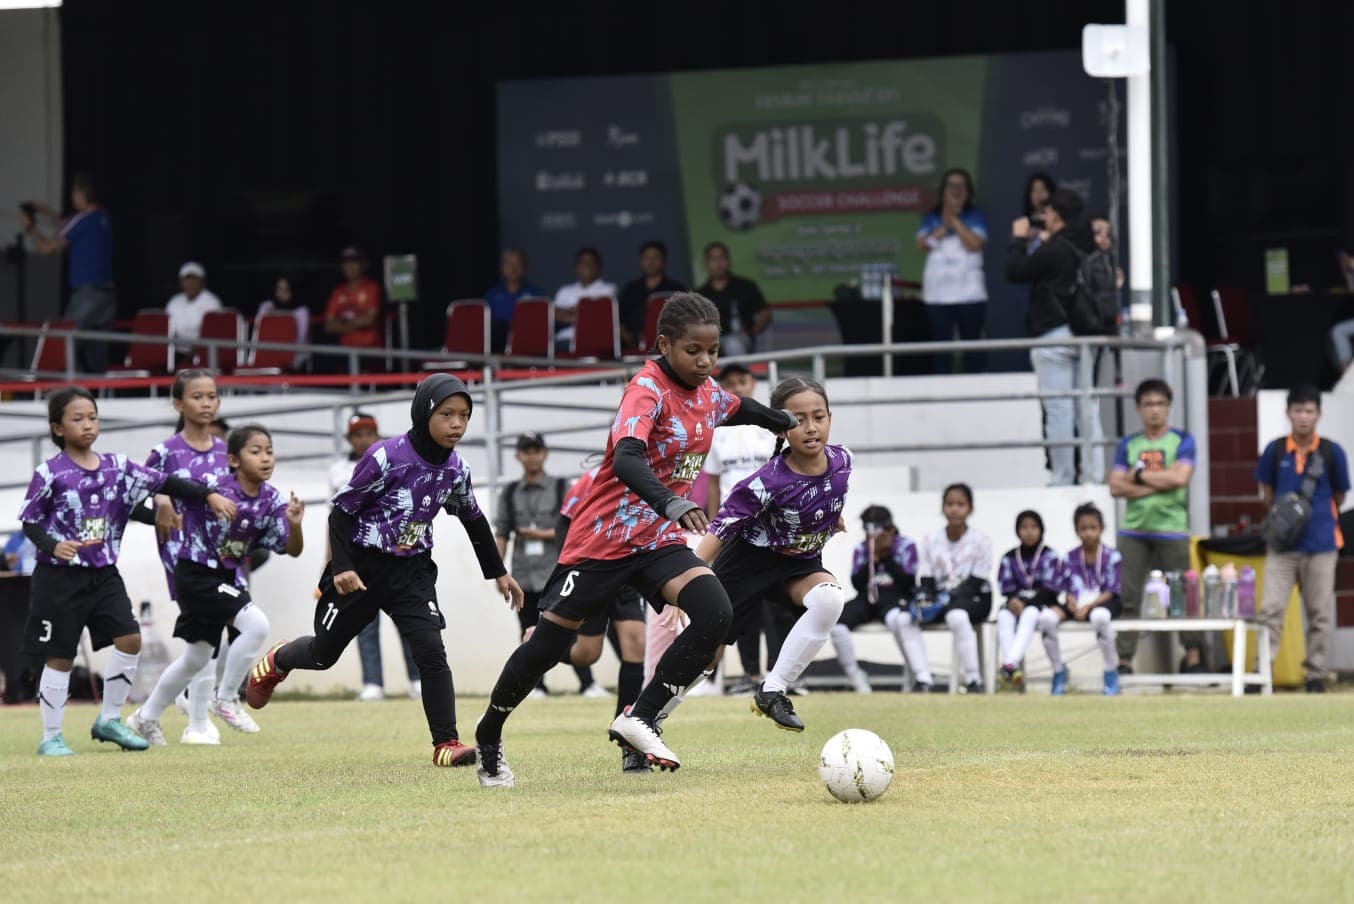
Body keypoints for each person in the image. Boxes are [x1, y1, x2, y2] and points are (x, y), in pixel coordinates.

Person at [472, 292, 796, 786]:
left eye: (712, 350)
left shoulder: (706, 391)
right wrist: (672, 502)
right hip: (602, 541)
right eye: (694, 350)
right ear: (664, 344)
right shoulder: (646, 389)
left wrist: (779, 419)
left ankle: (639, 718)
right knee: (549, 646)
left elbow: (736, 407)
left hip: (657, 542)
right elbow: (626, 458)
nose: (706, 361)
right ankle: (490, 733)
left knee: (716, 612)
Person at [246, 375, 524, 767]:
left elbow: (473, 518)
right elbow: (341, 513)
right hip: (361, 567)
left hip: (412, 571)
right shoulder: (386, 456)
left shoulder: (456, 468)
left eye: (464, 415)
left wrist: (499, 572)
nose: (457, 425)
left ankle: (446, 743)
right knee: (324, 655)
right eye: (447, 415)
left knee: (431, 651)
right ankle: (279, 659)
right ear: (425, 412)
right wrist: (340, 567)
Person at [19, 386, 235, 756]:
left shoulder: (116, 467)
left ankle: (109, 720)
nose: (88, 425)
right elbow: (30, 521)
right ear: (58, 428)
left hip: (104, 574)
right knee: (61, 656)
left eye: (92, 417)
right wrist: (54, 545)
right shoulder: (49, 473)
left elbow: (163, 483)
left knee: (130, 638)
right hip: (58, 578)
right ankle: (51, 736)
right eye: (77, 419)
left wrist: (201, 498)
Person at [656, 376, 849, 733]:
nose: (810, 428)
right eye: (797, 419)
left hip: (798, 566)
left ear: (830, 419)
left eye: (818, 417)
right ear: (779, 429)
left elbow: (825, 491)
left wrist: (832, 516)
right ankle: (644, 718)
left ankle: (773, 690)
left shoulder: (842, 462)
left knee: (830, 599)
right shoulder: (764, 482)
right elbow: (719, 530)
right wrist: (685, 588)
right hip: (748, 564)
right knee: (706, 655)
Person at [128, 425, 305, 746]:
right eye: (256, 451)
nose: (265, 458)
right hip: (194, 573)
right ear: (234, 461)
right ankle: (225, 698)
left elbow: (291, 550)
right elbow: (165, 486)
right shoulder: (213, 486)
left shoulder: (272, 499)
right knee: (256, 624)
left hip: (223, 577)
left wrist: (295, 527)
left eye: (269, 451)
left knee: (195, 658)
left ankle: (145, 717)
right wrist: (164, 501)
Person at [145, 369, 234, 742]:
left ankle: (159, 712)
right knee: (210, 638)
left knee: (206, 644)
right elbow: (146, 488)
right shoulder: (165, 452)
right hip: (183, 554)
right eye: (197, 397)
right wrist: (162, 499)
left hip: (223, 553)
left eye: (212, 396)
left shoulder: (225, 450)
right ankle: (199, 721)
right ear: (179, 404)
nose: (206, 403)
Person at [554, 463, 651, 772]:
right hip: (592, 570)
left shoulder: (652, 474)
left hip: (626, 573)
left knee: (636, 645)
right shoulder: (594, 477)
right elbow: (564, 523)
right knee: (586, 655)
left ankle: (629, 740)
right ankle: (539, 641)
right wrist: (568, 566)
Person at [1005, 187, 1105, 486]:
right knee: (1087, 406)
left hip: (1055, 333)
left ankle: (1062, 478)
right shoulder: (1090, 243)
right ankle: (1093, 476)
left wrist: (1018, 239)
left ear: (1057, 215)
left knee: (1059, 409)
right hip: (1088, 332)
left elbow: (1015, 270)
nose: (1043, 217)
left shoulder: (1056, 249)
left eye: (1047, 212)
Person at [1255, 385, 1350, 693]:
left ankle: (1315, 673)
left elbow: (1340, 495)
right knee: (1271, 608)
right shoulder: (1276, 450)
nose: (1304, 417)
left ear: (1319, 415)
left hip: (1322, 544)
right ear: (1288, 413)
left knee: (1319, 612)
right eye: (1298, 410)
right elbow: (1267, 494)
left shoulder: (1332, 452)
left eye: (1309, 411)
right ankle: (1262, 672)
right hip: (1282, 545)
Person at [495, 431, 600, 698]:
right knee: (528, 628)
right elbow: (502, 533)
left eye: (536, 450)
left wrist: (540, 534)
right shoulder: (509, 493)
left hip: (556, 573)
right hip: (524, 574)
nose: (532, 456)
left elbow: (576, 527)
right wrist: (498, 572)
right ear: (519, 456)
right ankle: (536, 686)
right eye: (526, 451)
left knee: (566, 629)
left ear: (545, 454)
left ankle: (587, 683)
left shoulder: (560, 487)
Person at [703, 363, 787, 694]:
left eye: (743, 381)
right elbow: (712, 486)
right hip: (733, 524)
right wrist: (715, 527)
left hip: (769, 523)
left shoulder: (769, 427)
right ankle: (750, 675)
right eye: (730, 383)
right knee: (741, 601)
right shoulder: (717, 430)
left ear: (754, 384)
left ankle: (777, 676)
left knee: (773, 603)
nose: (738, 387)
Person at [1109, 379, 1204, 674]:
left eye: (1160, 404)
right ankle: (1124, 661)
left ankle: (1193, 659)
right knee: (1128, 597)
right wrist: (1159, 482)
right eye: (1148, 404)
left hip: (1172, 528)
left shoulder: (1182, 440)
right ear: (1139, 408)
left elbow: (1180, 479)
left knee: (1183, 595)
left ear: (1169, 407)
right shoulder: (1129, 443)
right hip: (1133, 530)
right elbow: (1114, 485)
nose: (1154, 410)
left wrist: (1137, 477)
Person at [328, 412, 421, 703]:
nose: (364, 439)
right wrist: (332, 559)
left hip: (393, 551)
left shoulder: (392, 461)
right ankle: (372, 682)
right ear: (349, 439)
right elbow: (336, 518)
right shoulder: (338, 470)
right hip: (357, 553)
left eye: (369, 433)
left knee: (407, 619)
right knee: (364, 622)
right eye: (358, 434)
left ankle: (417, 679)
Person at [17, 172, 116, 373]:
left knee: (65, 347)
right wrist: (46, 211)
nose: (72, 198)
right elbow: (70, 225)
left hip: (86, 295)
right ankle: (101, 397)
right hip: (108, 296)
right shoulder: (103, 217)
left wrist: (31, 228)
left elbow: (47, 248)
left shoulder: (81, 220)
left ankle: (68, 394)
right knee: (97, 355)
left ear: (81, 194)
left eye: (74, 193)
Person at [899, 483, 993, 693]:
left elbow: (977, 582)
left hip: (976, 598)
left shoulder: (981, 540)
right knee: (905, 618)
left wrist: (943, 601)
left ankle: (973, 680)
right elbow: (926, 579)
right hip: (940, 599)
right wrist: (925, 598)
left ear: (970, 508)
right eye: (950, 504)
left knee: (956, 616)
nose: (954, 509)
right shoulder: (931, 539)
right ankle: (923, 679)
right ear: (942, 508)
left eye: (961, 504)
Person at [828, 505, 917, 694]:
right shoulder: (862, 549)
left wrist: (887, 556)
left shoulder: (905, 546)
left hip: (895, 598)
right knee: (836, 623)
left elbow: (908, 582)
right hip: (868, 598)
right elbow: (857, 583)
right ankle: (856, 677)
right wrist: (873, 558)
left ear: (890, 528)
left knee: (899, 621)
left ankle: (914, 674)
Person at [1039, 503, 1122, 696]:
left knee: (1100, 617)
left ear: (1102, 528)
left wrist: (1090, 606)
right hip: (1076, 603)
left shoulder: (1112, 556)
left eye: (1093, 528)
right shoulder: (1069, 557)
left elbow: (1112, 590)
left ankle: (1110, 671)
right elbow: (1065, 587)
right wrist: (1071, 602)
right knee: (1045, 619)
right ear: (1077, 530)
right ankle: (1059, 670)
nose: (1088, 533)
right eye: (1083, 528)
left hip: (1102, 602)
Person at [915, 167, 989, 373]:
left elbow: (974, 243)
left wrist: (955, 221)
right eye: (951, 185)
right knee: (941, 348)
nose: (956, 190)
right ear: (943, 190)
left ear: (968, 190)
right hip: (938, 294)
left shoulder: (975, 215)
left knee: (972, 346)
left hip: (969, 293)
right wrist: (943, 226)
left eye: (961, 186)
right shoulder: (931, 216)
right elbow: (922, 244)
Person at [995, 510, 1061, 691]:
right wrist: (1012, 600)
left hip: (1041, 605)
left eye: (1034, 527)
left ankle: (1009, 664)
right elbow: (1005, 585)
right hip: (1015, 605)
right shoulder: (1009, 557)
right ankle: (1012, 667)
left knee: (1030, 614)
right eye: (1024, 527)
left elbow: (1050, 587)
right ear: (1017, 531)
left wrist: (1027, 604)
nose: (1029, 532)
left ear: (1041, 530)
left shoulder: (1050, 555)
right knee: (1003, 617)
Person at [696, 242, 770, 357]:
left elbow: (764, 313)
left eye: (722, 258)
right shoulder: (699, 294)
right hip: (710, 342)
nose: (718, 263)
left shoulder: (745, 286)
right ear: (707, 263)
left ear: (729, 261)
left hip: (741, 339)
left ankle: (739, 375)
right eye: (714, 259)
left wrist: (753, 331)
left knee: (733, 344)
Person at [618, 241, 687, 349]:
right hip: (633, 349)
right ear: (641, 260)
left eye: (656, 257)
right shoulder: (630, 289)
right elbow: (620, 322)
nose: (651, 261)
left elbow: (686, 322)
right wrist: (631, 341)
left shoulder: (677, 290)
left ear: (664, 260)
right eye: (647, 257)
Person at [323, 246, 385, 357]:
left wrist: (343, 321)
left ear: (363, 265)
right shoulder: (338, 292)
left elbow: (369, 320)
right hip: (344, 351)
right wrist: (356, 322)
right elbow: (329, 326)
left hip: (369, 350)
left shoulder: (372, 288)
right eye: (346, 263)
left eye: (354, 262)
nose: (349, 266)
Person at [553, 247, 617, 349]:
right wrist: (583, 314)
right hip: (563, 340)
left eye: (591, 262)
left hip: (593, 341)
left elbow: (597, 317)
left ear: (598, 266)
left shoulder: (608, 289)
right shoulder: (564, 290)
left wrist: (569, 313)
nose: (587, 266)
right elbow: (553, 314)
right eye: (582, 262)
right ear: (576, 267)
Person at [485, 249, 544, 354]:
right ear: (501, 268)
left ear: (525, 268)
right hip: (498, 344)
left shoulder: (536, 293)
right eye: (508, 264)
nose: (513, 268)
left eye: (518, 264)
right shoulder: (492, 294)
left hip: (527, 340)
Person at [254, 275, 310, 369]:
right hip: (269, 352)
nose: (283, 292)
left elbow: (301, 340)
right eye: (279, 288)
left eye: (286, 288)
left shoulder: (301, 312)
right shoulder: (267, 307)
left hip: (295, 355)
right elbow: (258, 333)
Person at [166, 262, 223, 354]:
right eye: (187, 279)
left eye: (194, 279)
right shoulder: (174, 302)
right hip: (176, 351)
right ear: (181, 282)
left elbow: (213, 333)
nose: (190, 283)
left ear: (202, 281)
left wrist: (193, 352)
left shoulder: (212, 302)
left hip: (204, 352)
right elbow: (168, 331)